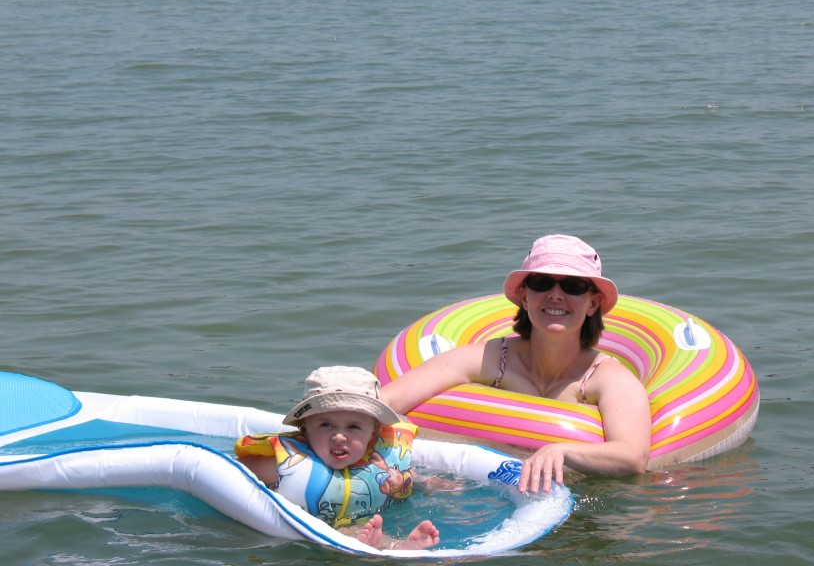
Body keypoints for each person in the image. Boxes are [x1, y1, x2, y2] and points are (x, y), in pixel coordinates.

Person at [381, 234, 651, 493]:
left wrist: (561, 450)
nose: (556, 295)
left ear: (593, 303)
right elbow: (388, 400)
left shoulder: (608, 379)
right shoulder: (491, 358)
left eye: (573, 286)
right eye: (542, 283)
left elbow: (633, 457)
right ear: (524, 296)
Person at [235, 366, 440, 551]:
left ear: (373, 433)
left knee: (361, 531)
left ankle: (396, 547)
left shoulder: (382, 458)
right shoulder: (285, 463)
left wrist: (429, 482)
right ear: (304, 428)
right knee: (351, 532)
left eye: (353, 426)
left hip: (363, 526)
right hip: (302, 537)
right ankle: (388, 547)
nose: (339, 436)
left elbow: (404, 475)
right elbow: (235, 473)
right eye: (326, 425)